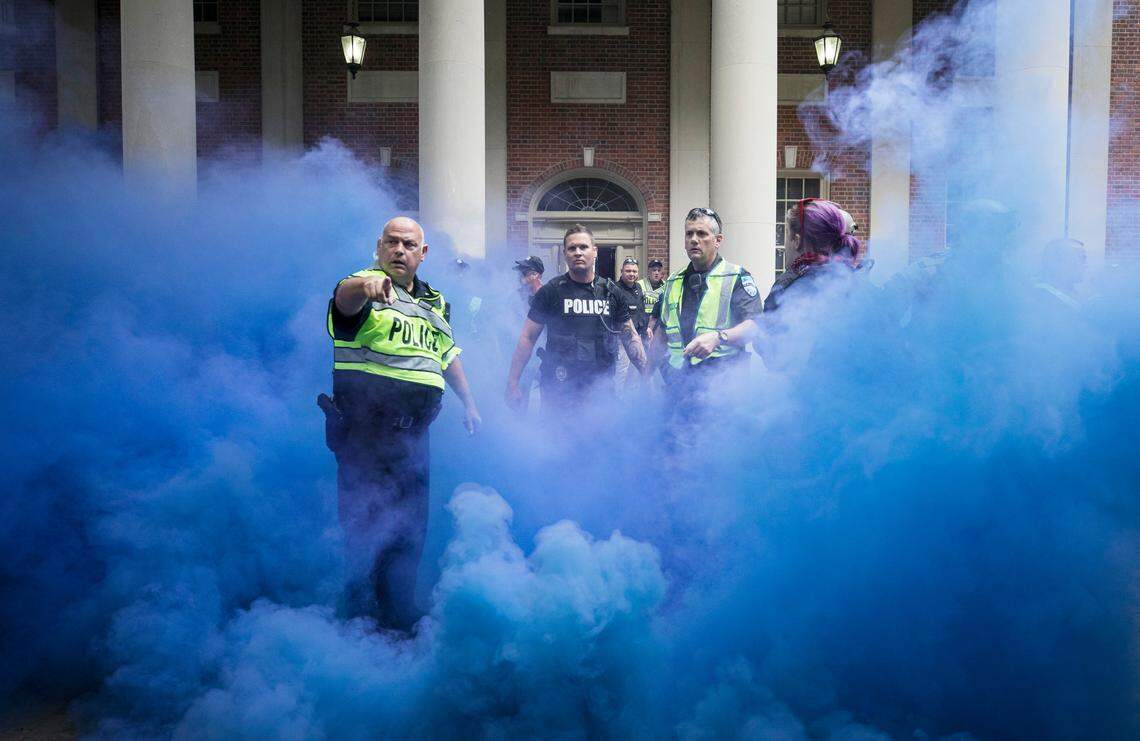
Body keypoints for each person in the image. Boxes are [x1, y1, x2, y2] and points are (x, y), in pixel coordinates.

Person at [321, 216, 481, 632]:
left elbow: (447, 353)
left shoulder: (435, 302)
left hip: (414, 437)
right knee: (366, 525)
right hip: (364, 435)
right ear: (378, 247)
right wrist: (364, 287)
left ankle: (397, 613)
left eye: (408, 244)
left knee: (410, 528)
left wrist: (469, 402)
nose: (399, 250)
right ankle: (358, 621)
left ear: (422, 253)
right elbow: (344, 299)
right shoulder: (363, 284)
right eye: (391, 242)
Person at [506, 224, 649, 412]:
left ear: (595, 251)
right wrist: (513, 382)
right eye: (572, 248)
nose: (578, 252)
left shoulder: (612, 293)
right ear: (565, 253)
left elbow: (630, 336)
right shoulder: (550, 291)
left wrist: (648, 376)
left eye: (583, 247)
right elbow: (528, 337)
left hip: (600, 390)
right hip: (559, 391)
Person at [648, 207, 763, 411]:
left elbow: (754, 325)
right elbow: (662, 333)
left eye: (701, 234)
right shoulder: (673, 281)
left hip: (722, 388)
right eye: (689, 233)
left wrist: (718, 337)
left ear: (718, 240)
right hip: (677, 385)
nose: (694, 239)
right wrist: (645, 376)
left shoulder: (736, 276)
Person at [764, 198, 865, 314]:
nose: (783, 246)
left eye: (786, 234)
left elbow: (768, 327)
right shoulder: (858, 284)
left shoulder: (788, 289)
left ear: (797, 240)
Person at [614, 257, 650, 391]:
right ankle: (617, 401)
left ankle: (630, 400)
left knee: (635, 372)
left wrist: (647, 329)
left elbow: (641, 310)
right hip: (622, 339)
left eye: (634, 271)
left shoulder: (638, 287)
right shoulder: (615, 290)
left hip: (639, 337)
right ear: (621, 271)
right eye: (628, 271)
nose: (631, 274)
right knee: (621, 371)